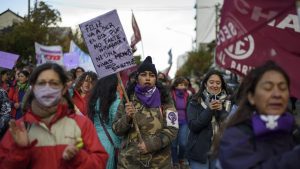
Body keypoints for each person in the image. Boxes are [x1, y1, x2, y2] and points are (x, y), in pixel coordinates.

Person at [0, 63, 108, 169]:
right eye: (41, 83)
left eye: (54, 83)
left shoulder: (82, 124)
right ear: (33, 88)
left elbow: (99, 163)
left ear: (64, 89)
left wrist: (78, 157)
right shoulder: (20, 128)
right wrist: (19, 151)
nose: (47, 89)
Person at [215, 61, 300, 169]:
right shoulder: (235, 136)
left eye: (282, 88)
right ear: (251, 97)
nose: (277, 94)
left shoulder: (294, 131)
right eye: (268, 88)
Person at [112, 56, 178, 169]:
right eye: (143, 75)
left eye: (152, 75)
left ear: (156, 79)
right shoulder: (128, 99)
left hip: (159, 163)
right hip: (129, 163)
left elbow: (173, 129)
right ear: (137, 78)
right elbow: (116, 129)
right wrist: (127, 118)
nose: (148, 78)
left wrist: (150, 145)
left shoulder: (165, 99)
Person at [186, 70, 229, 169]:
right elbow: (194, 126)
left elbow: (230, 126)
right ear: (205, 84)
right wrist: (209, 109)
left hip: (220, 151)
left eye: (218, 83)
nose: (214, 85)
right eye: (211, 82)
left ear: (221, 86)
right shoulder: (195, 101)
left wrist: (221, 111)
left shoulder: (227, 102)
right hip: (199, 152)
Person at [88, 74, 122, 169]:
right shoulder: (116, 102)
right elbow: (117, 127)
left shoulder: (94, 100)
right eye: (118, 83)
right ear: (113, 85)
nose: (120, 86)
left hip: (94, 141)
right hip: (109, 144)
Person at [170, 76, 190, 169]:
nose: (183, 86)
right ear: (176, 86)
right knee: (173, 143)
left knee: (183, 143)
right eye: (180, 84)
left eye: (184, 85)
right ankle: (175, 162)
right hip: (173, 121)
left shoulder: (188, 95)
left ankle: (181, 158)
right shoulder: (171, 94)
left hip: (184, 121)